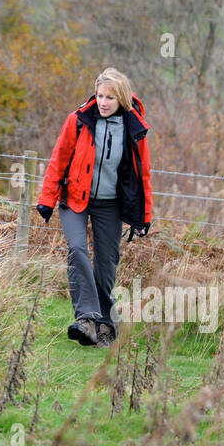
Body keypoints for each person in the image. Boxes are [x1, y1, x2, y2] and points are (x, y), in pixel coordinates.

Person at [37, 67, 152, 348]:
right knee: (76, 250)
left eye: (110, 98)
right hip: (74, 198)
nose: (103, 102)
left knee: (106, 264)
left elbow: (144, 174)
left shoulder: (134, 129)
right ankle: (86, 318)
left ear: (121, 100)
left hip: (110, 204)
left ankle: (106, 324)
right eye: (100, 95)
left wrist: (145, 215)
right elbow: (58, 159)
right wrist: (46, 199)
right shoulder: (78, 121)